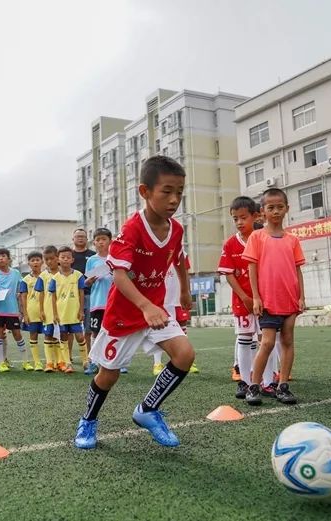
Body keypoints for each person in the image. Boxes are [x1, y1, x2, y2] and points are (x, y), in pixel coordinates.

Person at [74, 155, 195, 450]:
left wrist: (184, 292)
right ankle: (88, 420)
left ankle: (147, 410)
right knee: (108, 374)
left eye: (179, 191)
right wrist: (145, 306)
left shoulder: (176, 229)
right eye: (166, 191)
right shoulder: (131, 229)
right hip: (127, 313)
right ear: (145, 191)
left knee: (184, 355)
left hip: (157, 310)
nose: (174, 199)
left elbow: (178, 259)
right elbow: (119, 275)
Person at [243, 188, 305, 406]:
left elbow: (297, 270)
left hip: (290, 300)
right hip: (269, 300)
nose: (276, 211)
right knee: (267, 343)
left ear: (287, 209)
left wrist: (301, 297)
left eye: (280, 207)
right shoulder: (257, 237)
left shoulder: (292, 240)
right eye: (271, 207)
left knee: (287, 341)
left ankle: (283, 386)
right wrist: (256, 297)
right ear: (262, 212)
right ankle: (254, 386)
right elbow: (252, 268)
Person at [217, 196, 278, 399]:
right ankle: (244, 381)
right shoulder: (230, 244)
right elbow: (229, 273)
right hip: (242, 302)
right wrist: (244, 297)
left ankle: (268, 382)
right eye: (235, 219)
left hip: (265, 301)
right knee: (243, 339)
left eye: (243, 217)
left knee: (266, 340)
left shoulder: (264, 239)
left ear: (255, 216)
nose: (239, 222)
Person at [152, 255, 199, 376]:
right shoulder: (156, 249)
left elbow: (186, 272)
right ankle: (157, 363)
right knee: (159, 329)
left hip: (178, 297)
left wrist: (187, 292)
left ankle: (187, 362)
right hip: (161, 298)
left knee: (182, 326)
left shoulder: (182, 252)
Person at [50, 246, 88, 374]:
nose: (65, 259)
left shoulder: (78, 275)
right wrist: (54, 314)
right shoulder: (54, 278)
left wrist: (81, 310)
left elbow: (81, 293)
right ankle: (67, 363)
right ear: (58, 260)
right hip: (61, 315)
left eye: (68, 257)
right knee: (63, 337)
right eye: (63, 257)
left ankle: (85, 361)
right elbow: (53, 297)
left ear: (72, 259)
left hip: (74, 313)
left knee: (80, 337)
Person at [84, 228, 113, 376]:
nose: (101, 242)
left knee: (115, 333)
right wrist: (90, 280)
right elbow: (86, 282)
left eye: (104, 239)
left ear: (110, 241)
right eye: (98, 240)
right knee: (96, 332)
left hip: (115, 302)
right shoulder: (91, 260)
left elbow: (130, 276)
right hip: (98, 302)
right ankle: (94, 363)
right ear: (94, 242)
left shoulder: (116, 258)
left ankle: (115, 363)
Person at [70, 229, 95, 360]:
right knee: (69, 327)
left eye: (83, 236)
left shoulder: (93, 255)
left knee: (88, 328)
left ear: (87, 239)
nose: (80, 238)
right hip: (71, 297)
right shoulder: (68, 255)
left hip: (90, 295)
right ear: (72, 239)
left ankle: (89, 355)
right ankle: (67, 356)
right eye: (78, 236)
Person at [19, 251, 46, 372]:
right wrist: (25, 314)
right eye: (32, 260)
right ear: (28, 263)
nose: (35, 262)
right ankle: (37, 362)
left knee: (50, 336)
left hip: (47, 312)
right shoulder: (25, 280)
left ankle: (52, 362)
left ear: (42, 261)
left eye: (37, 260)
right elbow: (23, 298)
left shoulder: (47, 276)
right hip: (32, 312)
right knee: (33, 335)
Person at [37, 245, 61, 372]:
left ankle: (60, 362)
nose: (49, 262)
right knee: (48, 335)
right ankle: (49, 363)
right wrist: (41, 310)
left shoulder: (64, 273)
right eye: (46, 259)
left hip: (62, 310)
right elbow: (41, 294)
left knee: (59, 335)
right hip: (48, 310)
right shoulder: (43, 276)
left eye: (52, 258)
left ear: (57, 258)